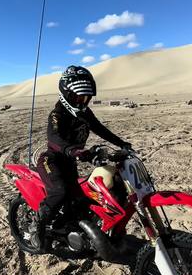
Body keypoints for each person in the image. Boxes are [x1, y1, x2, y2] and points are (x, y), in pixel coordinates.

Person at [34, 65, 132, 250]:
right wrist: (73, 150)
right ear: (66, 94)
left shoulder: (85, 113)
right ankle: (38, 226)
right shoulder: (58, 114)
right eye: (78, 97)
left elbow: (100, 129)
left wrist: (122, 144)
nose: (82, 101)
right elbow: (54, 139)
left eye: (86, 97)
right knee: (60, 192)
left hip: (70, 162)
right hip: (52, 161)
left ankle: (74, 230)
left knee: (81, 200)